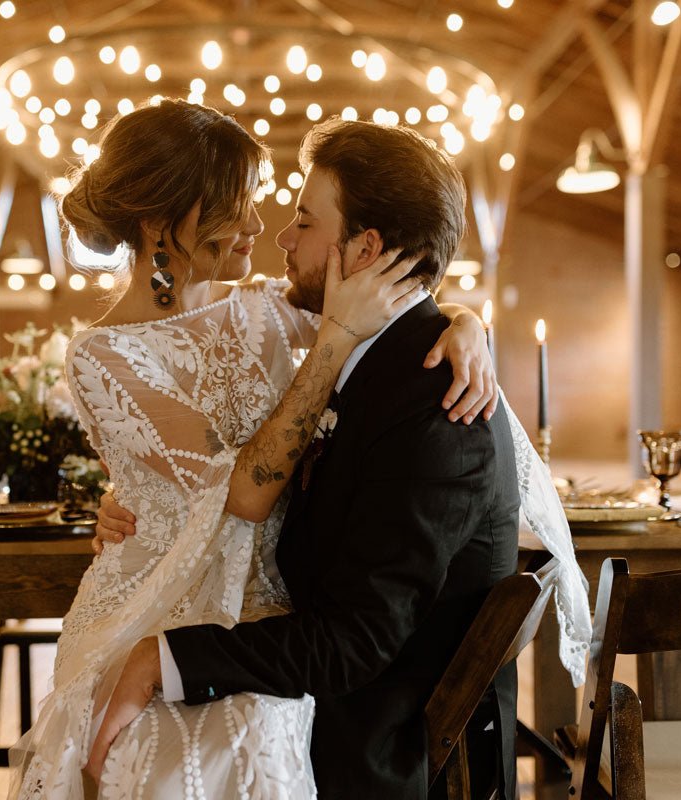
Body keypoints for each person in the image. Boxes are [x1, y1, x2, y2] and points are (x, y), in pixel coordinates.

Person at [87, 119, 593, 800]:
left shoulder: (430, 411)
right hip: (260, 628)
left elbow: (354, 641)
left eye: (301, 219)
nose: (278, 236)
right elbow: (210, 475)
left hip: (368, 733)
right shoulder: (379, 364)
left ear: (367, 248)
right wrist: (144, 495)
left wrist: (167, 659)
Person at [6, 100, 499, 800]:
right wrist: (330, 342)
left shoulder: (265, 306)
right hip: (160, 600)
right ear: (157, 222)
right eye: (234, 206)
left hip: (269, 606)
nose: (257, 226)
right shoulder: (101, 355)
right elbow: (245, 493)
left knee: (258, 734)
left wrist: (464, 320)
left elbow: (388, 294)